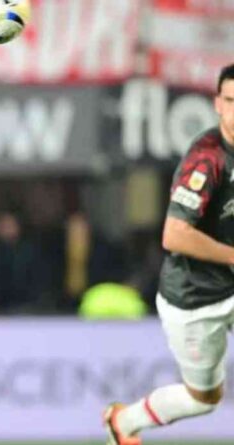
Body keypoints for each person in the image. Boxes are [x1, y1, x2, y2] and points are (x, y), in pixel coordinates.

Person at [104, 64, 234, 444]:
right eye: (231, 101)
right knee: (204, 398)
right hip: (195, 299)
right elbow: (175, 235)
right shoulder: (207, 159)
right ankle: (124, 422)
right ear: (218, 105)